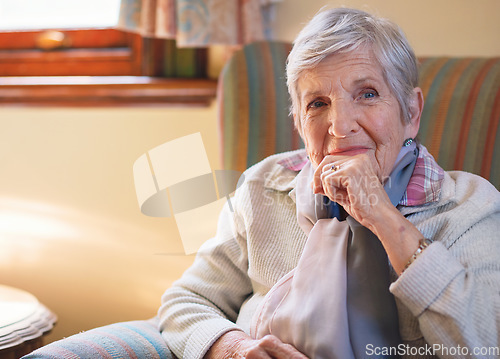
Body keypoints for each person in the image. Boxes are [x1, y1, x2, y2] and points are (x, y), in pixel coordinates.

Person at [23, 7, 500, 359]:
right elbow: (188, 300)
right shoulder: (263, 186)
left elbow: (481, 343)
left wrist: (384, 218)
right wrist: (234, 347)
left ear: (410, 111)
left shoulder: (469, 205)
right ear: (298, 120)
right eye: (317, 104)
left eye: (367, 94)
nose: (340, 126)